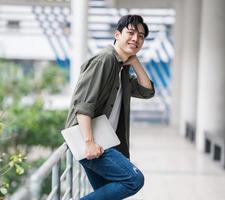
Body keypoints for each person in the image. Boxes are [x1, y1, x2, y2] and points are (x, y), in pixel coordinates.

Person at [65, 14, 155, 200]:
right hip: (91, 142)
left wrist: (135, 62)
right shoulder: (104, 60)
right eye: (130, 33)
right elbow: (83, 104)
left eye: (141, 36)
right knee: (134, 180)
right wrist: (89, 142)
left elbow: (147, 92)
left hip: (104, 142)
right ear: (117, 34)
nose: (135, 39)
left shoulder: (121, 68)